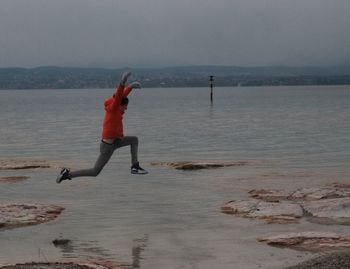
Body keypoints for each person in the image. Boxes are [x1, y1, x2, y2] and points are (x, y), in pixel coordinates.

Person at [56, 71, 148, 184]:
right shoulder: (114, 109)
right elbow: (118, 97)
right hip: (107, 147)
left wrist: (130, 87)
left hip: (116, 141)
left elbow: (120, 97)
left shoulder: (117, 108)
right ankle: (67, 174)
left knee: (134, 139)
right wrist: (123, 83)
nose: (126, 109)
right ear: (120, 105)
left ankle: (135, 166)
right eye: (125, 107)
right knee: (95, 172)